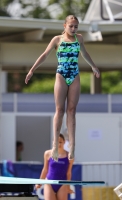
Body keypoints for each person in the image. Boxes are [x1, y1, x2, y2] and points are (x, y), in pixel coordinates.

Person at [25, 15, 100, 161]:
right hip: (61, 74)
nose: (73, 29)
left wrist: (94, 67)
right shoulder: (57, 40)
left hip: (74, 74)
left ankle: (72, 145)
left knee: (71, 110)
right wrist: (32, 70)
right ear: (64, 26)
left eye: (76, 26)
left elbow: (84, 54)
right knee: (59, 110)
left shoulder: (79, 39)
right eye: (71, 26)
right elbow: (44, 55)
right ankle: (55, 144)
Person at [35, 134, 74, 200]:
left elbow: (68, 173)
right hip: (49, 183)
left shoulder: (69, 156)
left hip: (62, 183)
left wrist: (68, 186)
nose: (59, 144)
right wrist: (39, 182)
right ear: (53, 142)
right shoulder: (48, 153)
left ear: (64, 142)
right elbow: (45, 169)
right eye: (56, 142)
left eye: (60, 142)